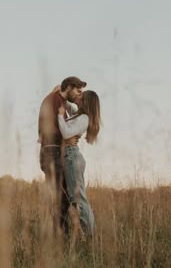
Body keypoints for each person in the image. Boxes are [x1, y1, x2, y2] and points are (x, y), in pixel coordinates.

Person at [38, 76, 86, 236]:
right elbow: (50, 129)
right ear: (70, 87)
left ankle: (59, 236)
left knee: (62, 195)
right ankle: (58, 238)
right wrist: (67, 137)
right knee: (60, 196)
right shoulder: (54, 100)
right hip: (52, 151)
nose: (79, 95)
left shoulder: (59, 101)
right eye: (78, 91)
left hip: (53, 151)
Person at [57, 90, 100, 236]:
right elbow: (68, 106)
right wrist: (62, 94)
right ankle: (88, 234)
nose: (78, 96)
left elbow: (66, 133)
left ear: (86, 102)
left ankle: (90, 235)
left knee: (79, 199)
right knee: (77, 198)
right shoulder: (79, 115)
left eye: (81, 96)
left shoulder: (84, 119)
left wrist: (59, 115)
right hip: (70, 156)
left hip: (71, 157)